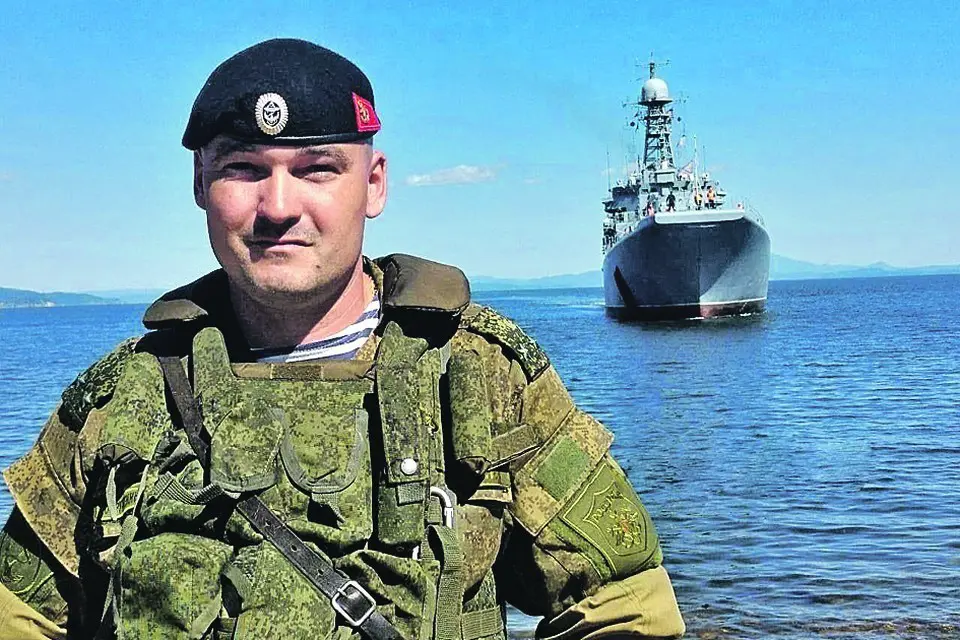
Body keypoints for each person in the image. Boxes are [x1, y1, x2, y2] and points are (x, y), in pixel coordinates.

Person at [0, 39, 685, 640]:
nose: (279, 207)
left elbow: (626, 608)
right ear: (201, 183)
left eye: (317, 169)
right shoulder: (121, 401)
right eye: (244, 168)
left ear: (374, 185)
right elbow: (18, 616)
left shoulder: (479, 373)